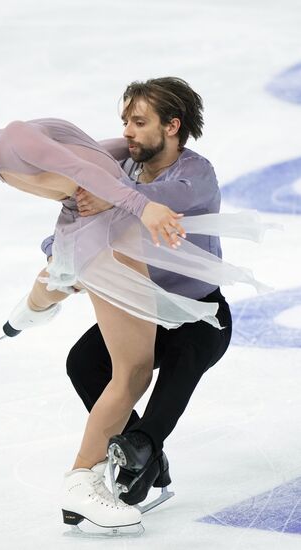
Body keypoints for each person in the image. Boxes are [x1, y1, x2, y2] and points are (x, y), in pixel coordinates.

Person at [0, 101, 267, 533]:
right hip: (108, 239)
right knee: (133, 373)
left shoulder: (3, 158)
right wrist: (143, 206)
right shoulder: (10, 138)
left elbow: (89, 158)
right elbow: (85, 173)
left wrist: (140, 149)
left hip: (93, 235)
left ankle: (30, 311)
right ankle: (81, 483)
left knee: (65, 293)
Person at [38, 77, 240, 511]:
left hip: (198, 315)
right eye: (125, 121)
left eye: (138, 121)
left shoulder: (195, 175)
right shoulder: (123, 171)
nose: (127, 130)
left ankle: (143, 444)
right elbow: (77, 216)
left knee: (184, 360)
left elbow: (154, 199)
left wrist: (111, 197)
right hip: (141, 312)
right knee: (84, 363)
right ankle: (148, 457)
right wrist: (57, 251)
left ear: (172, 125)